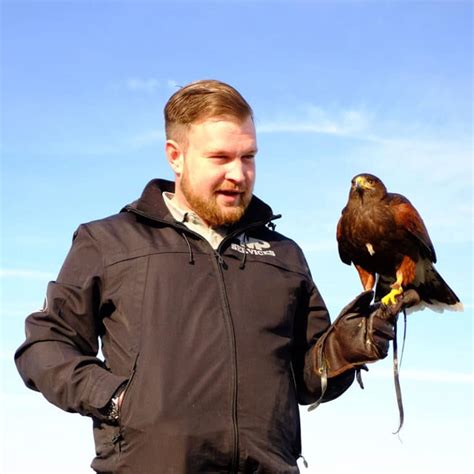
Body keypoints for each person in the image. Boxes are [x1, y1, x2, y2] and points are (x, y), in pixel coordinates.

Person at [15, 80, 415, 473]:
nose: (238, 175)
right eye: (220, 158)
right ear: (176, 156)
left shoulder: (284, 255)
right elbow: (45, 346)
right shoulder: (109, 242)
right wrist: (118, 398)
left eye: (248, 157)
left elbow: (307, 379)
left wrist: (343, 351)